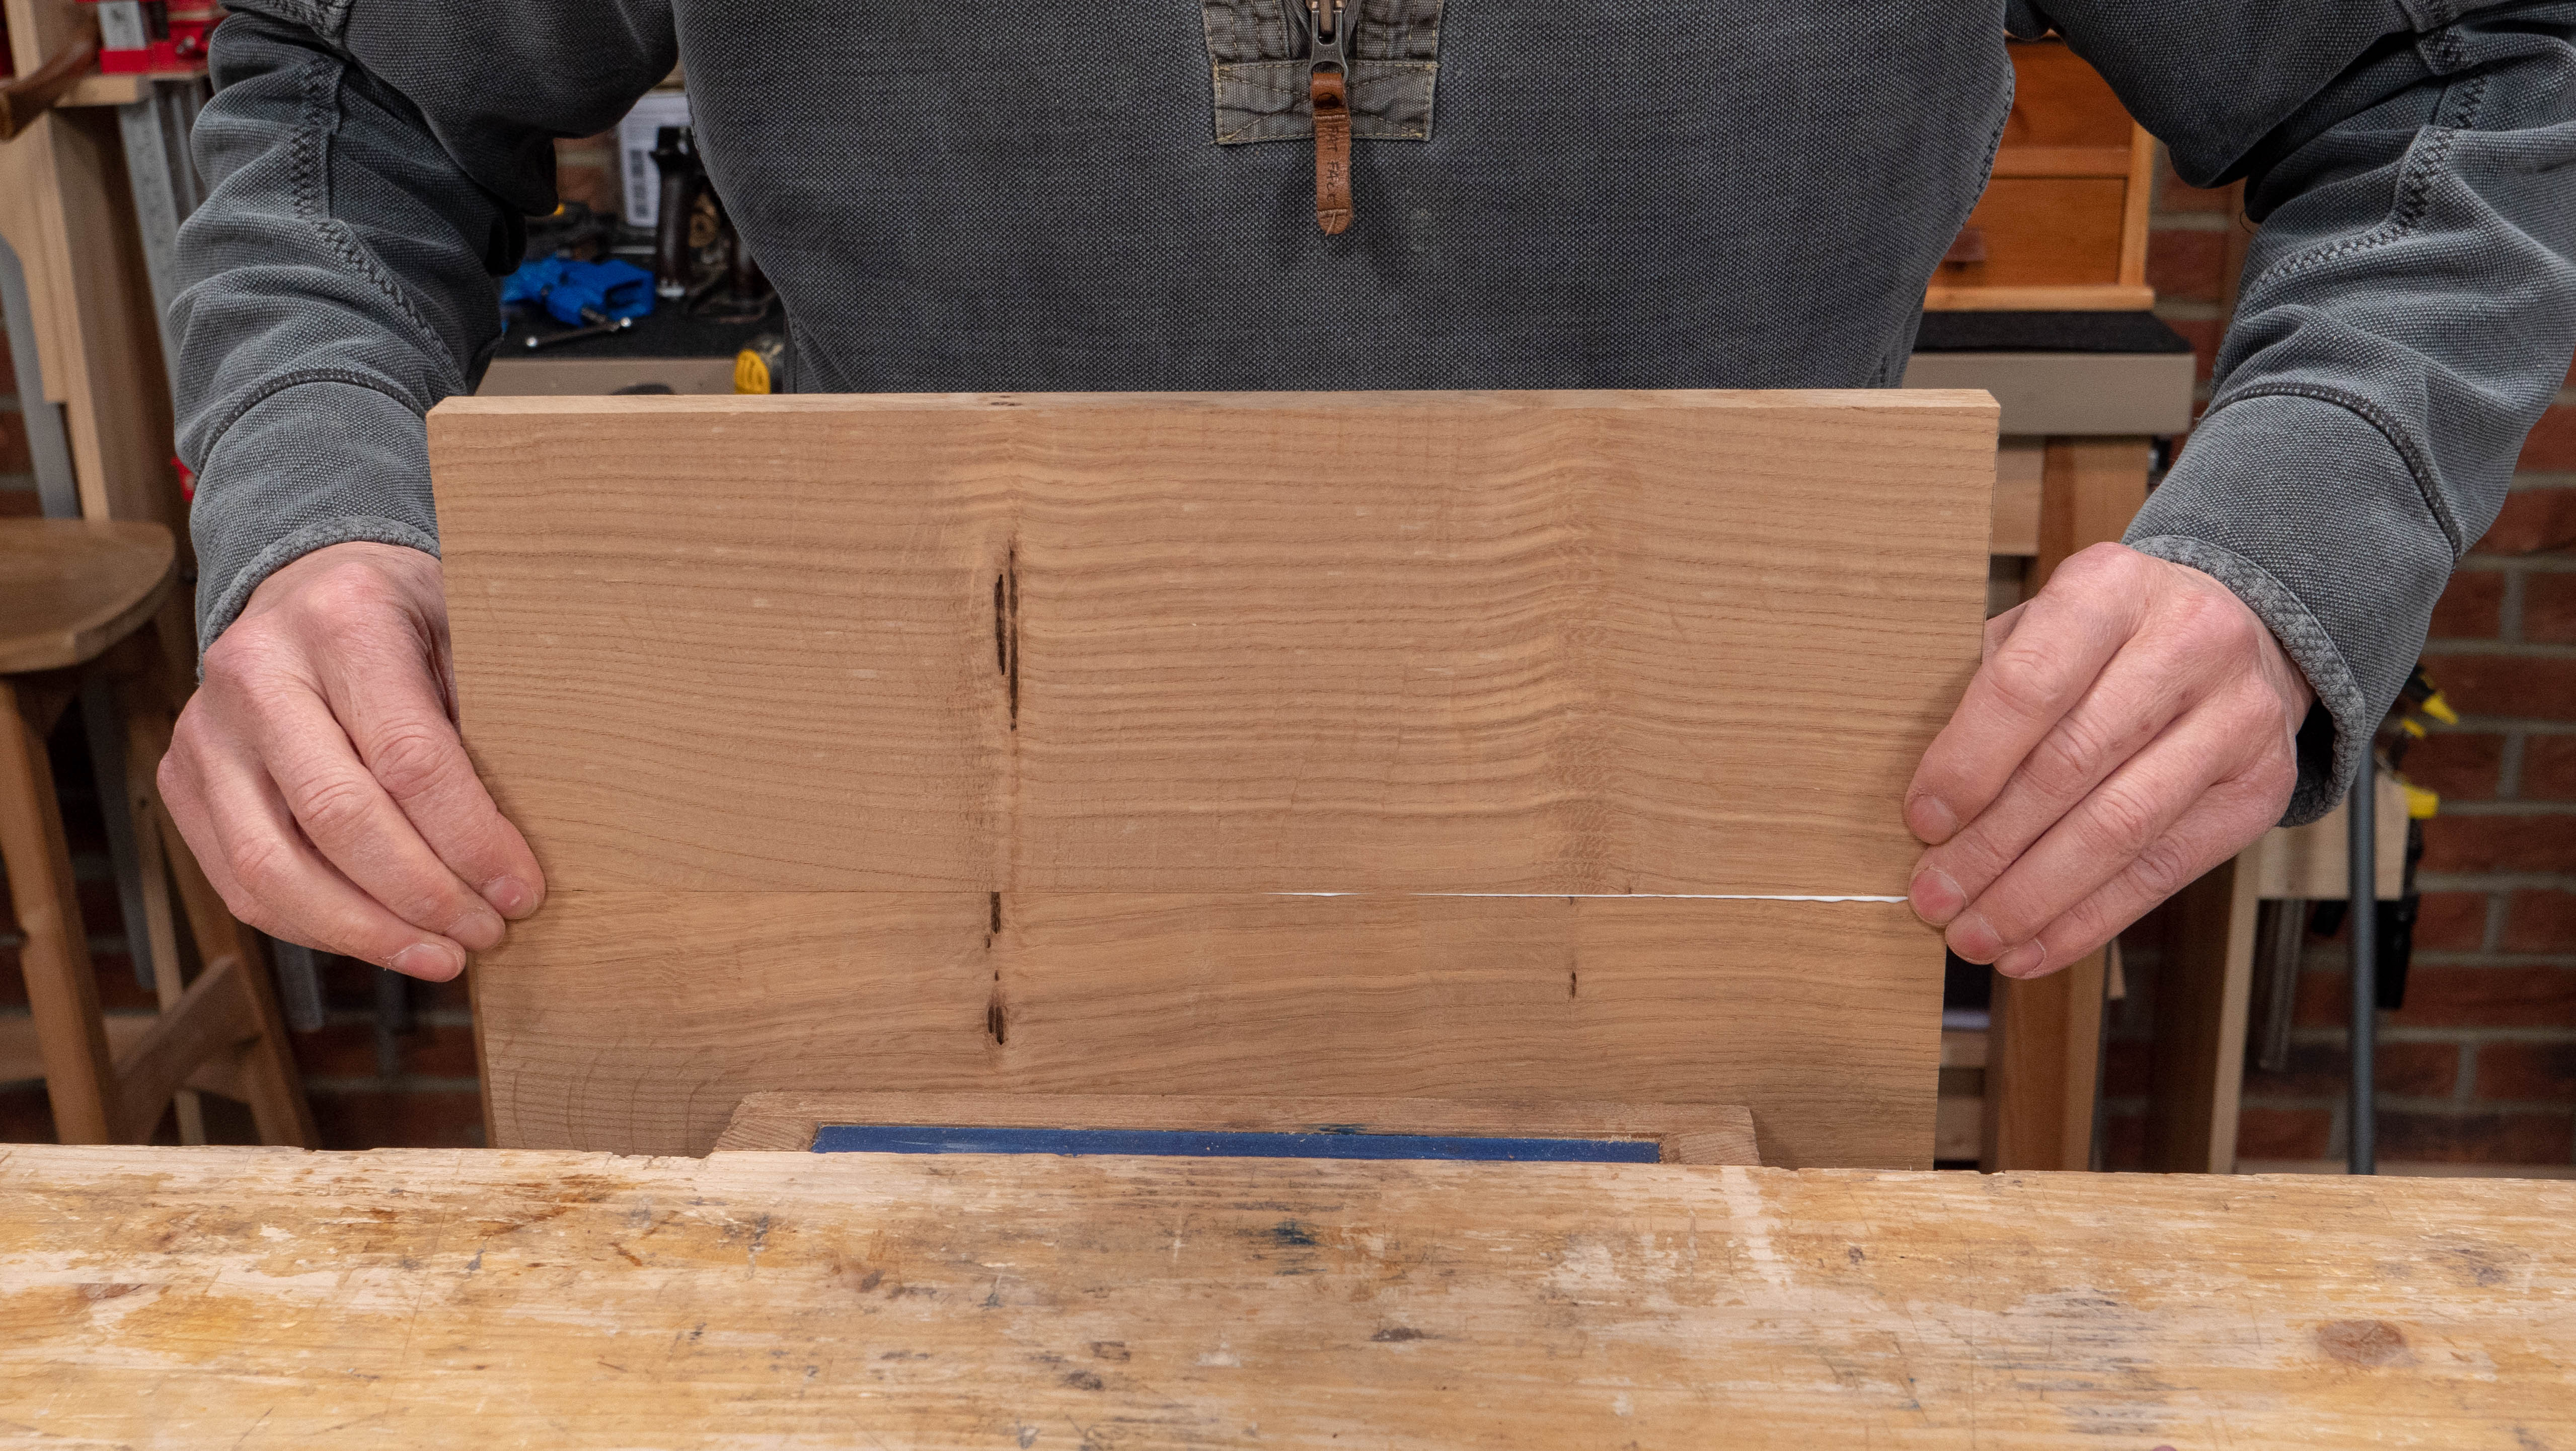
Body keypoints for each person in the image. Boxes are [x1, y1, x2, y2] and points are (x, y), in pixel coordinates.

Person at [160, 1, 2576, 984]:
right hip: (932, 968)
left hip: (1699, 977)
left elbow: (2455, 76)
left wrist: (2292, 533)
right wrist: (316, 512)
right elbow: (346, 91)